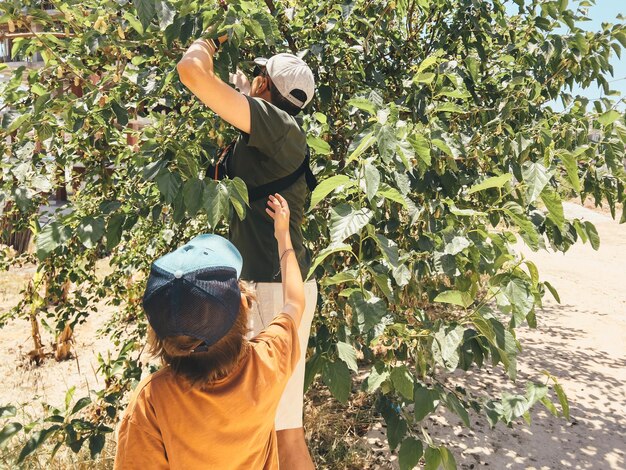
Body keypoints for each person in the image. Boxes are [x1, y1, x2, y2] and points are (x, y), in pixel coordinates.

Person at [176, 32, 318, 469]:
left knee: (275, 432)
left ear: (265, 88)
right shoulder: (277, 133)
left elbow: (192, 74)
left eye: (259, 75)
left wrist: (206, 40)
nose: (252, 79)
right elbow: (233, 96)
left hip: (272, 291)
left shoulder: (274, 126)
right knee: (280, 430)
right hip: (277, 285)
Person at [114, 194, 305, 469]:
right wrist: (283, 236)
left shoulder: (152, 400)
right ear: (244, 304)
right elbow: (295, 302)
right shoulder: (266, 363)